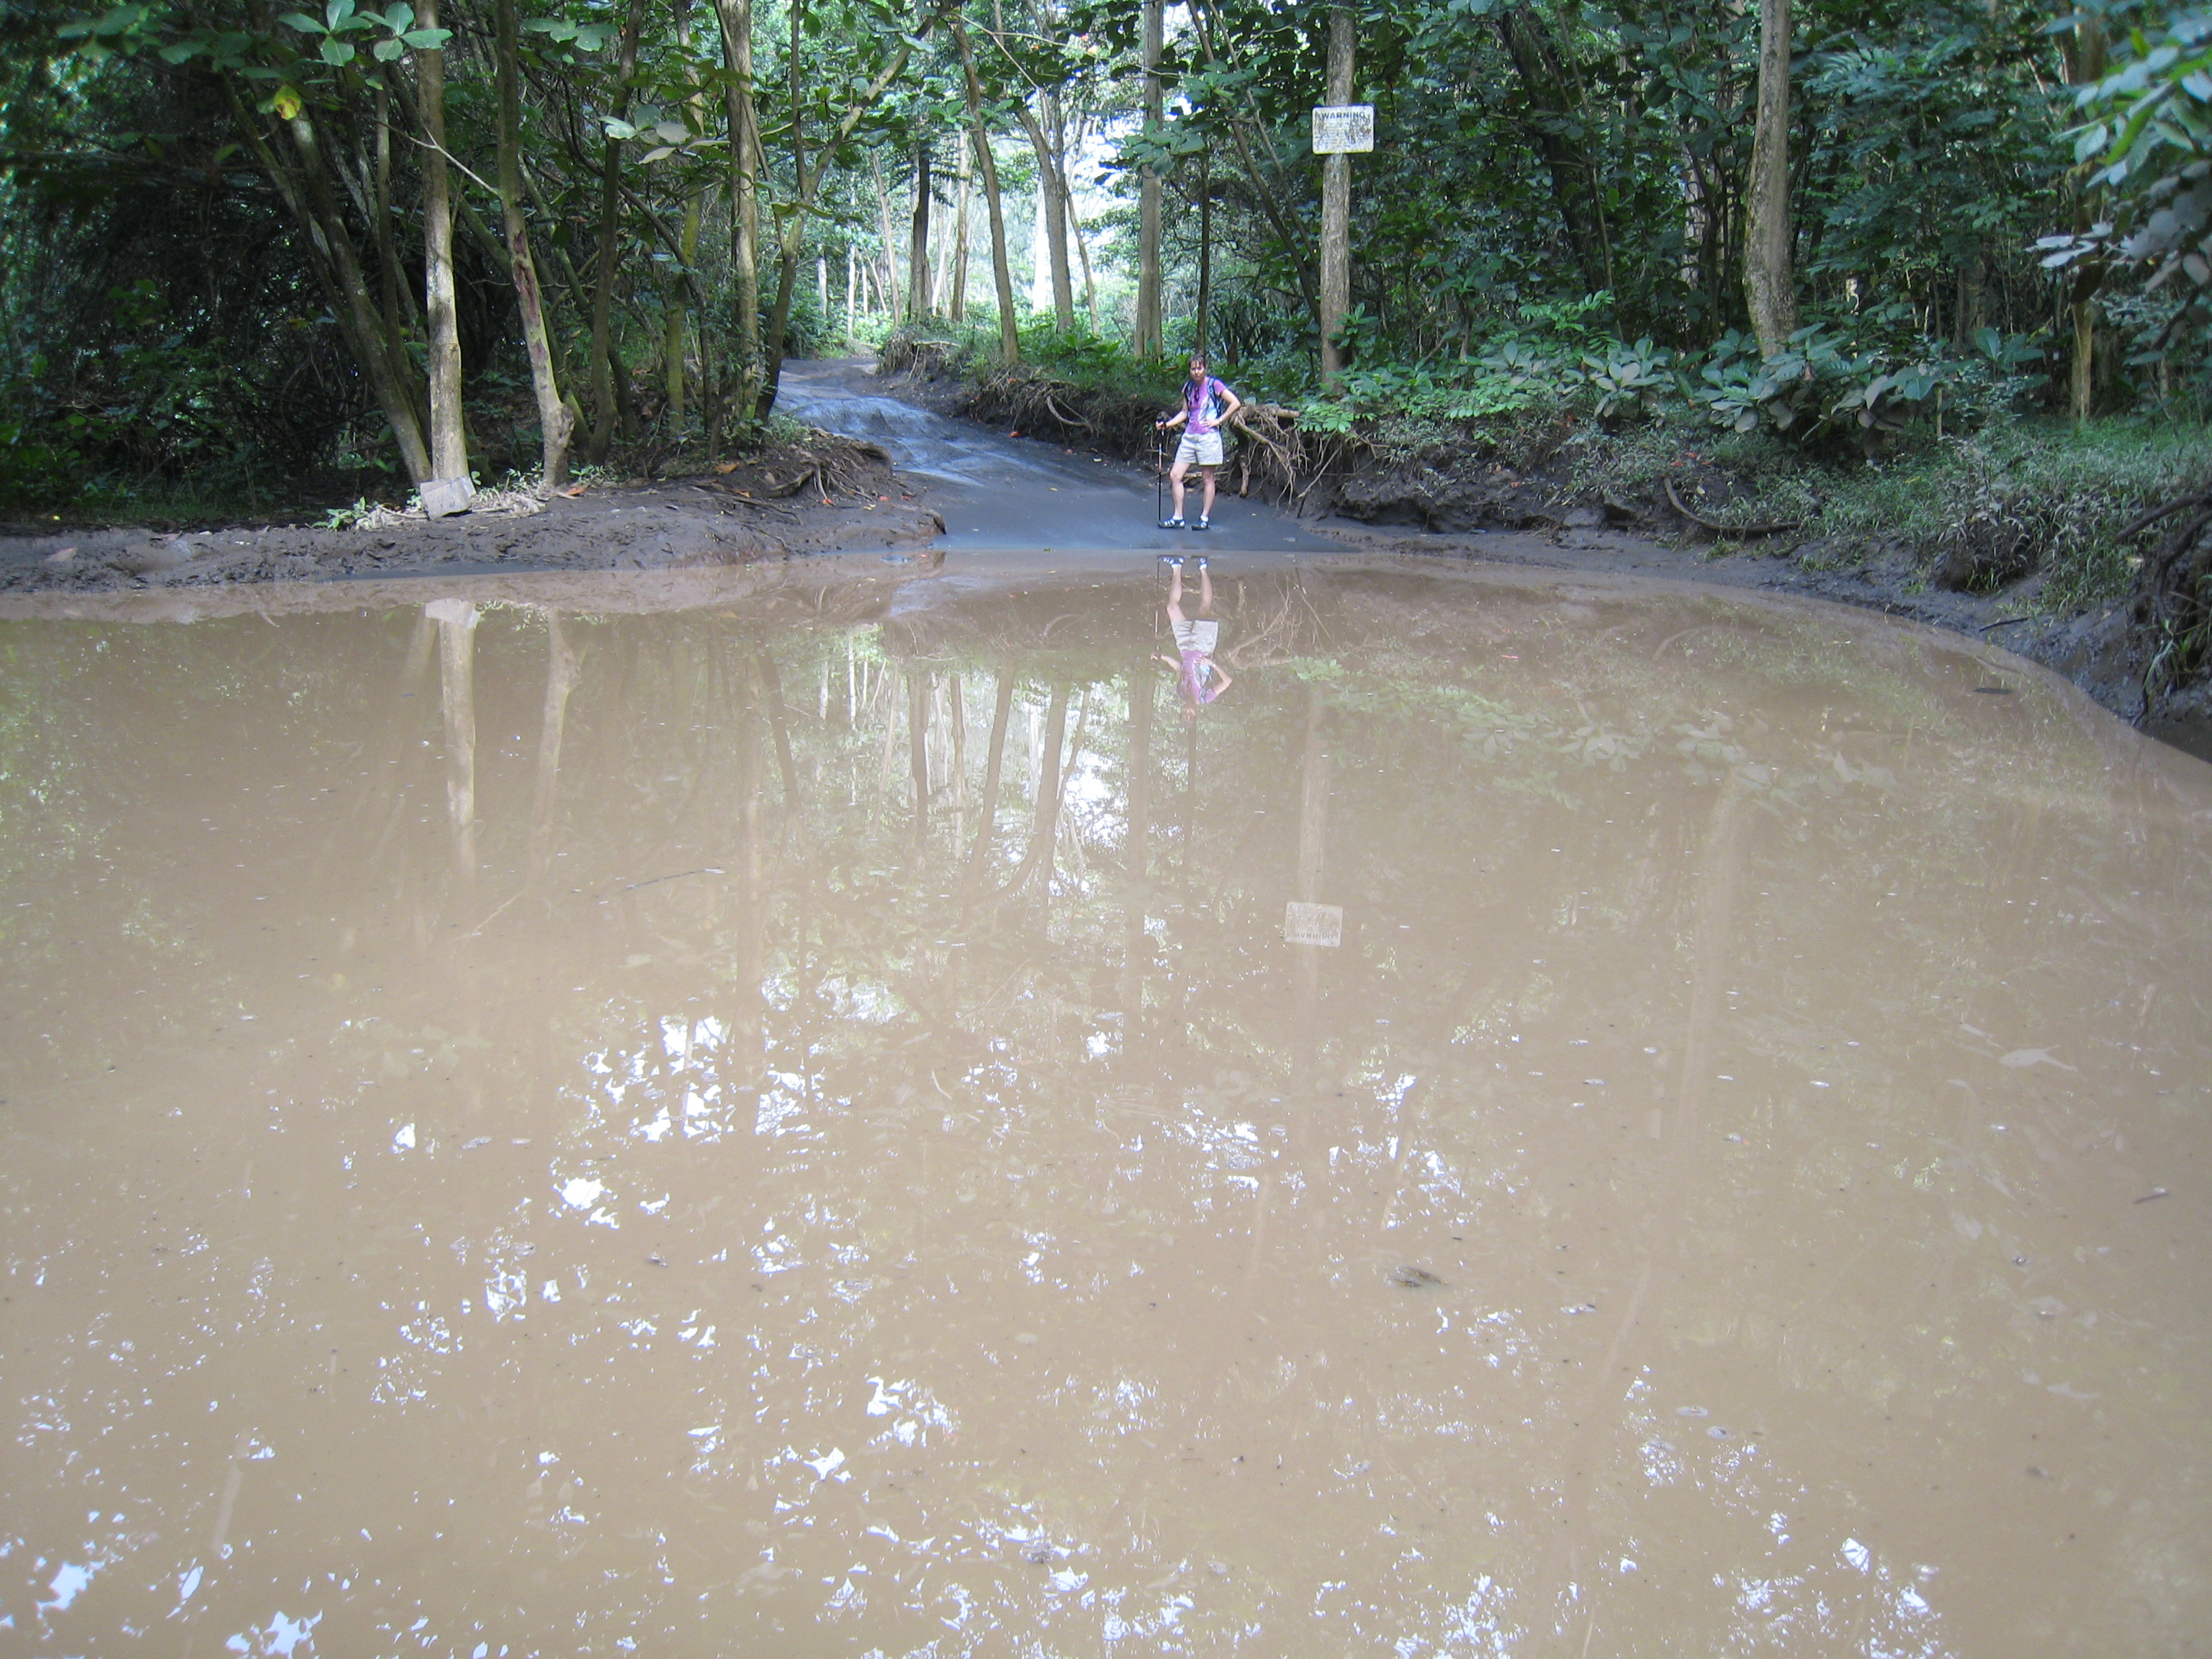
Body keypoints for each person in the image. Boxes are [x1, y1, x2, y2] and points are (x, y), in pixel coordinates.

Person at [1155, 356, 1242, 531]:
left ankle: (1204, 518)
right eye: (1193, 369)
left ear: (1205, 368)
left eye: (1199, 368)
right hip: (1190, 436)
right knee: (1175, 475)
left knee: (1207, 478)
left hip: (1208, 437)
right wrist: (1167, 424)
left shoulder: (1214, 385)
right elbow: (1185, 413)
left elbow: (1235, 403)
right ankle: (1178, 517)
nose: (1197, 372)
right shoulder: (1188, 388)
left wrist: (1219, 420)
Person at [1154, 554, 1232, 719]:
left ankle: (1177, 566)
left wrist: (1161, 657)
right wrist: (1212, 664)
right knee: (1204, 609)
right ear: (1196, 713)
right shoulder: (1205, 698)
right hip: (1203, 647)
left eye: (1184, 713)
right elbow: (1227, 681)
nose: (1187, 711)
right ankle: (1203, 568)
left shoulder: (1181, 692)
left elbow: (1178, 667)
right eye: (1190, 714)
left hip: (1184, 646)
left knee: (1171, 608)